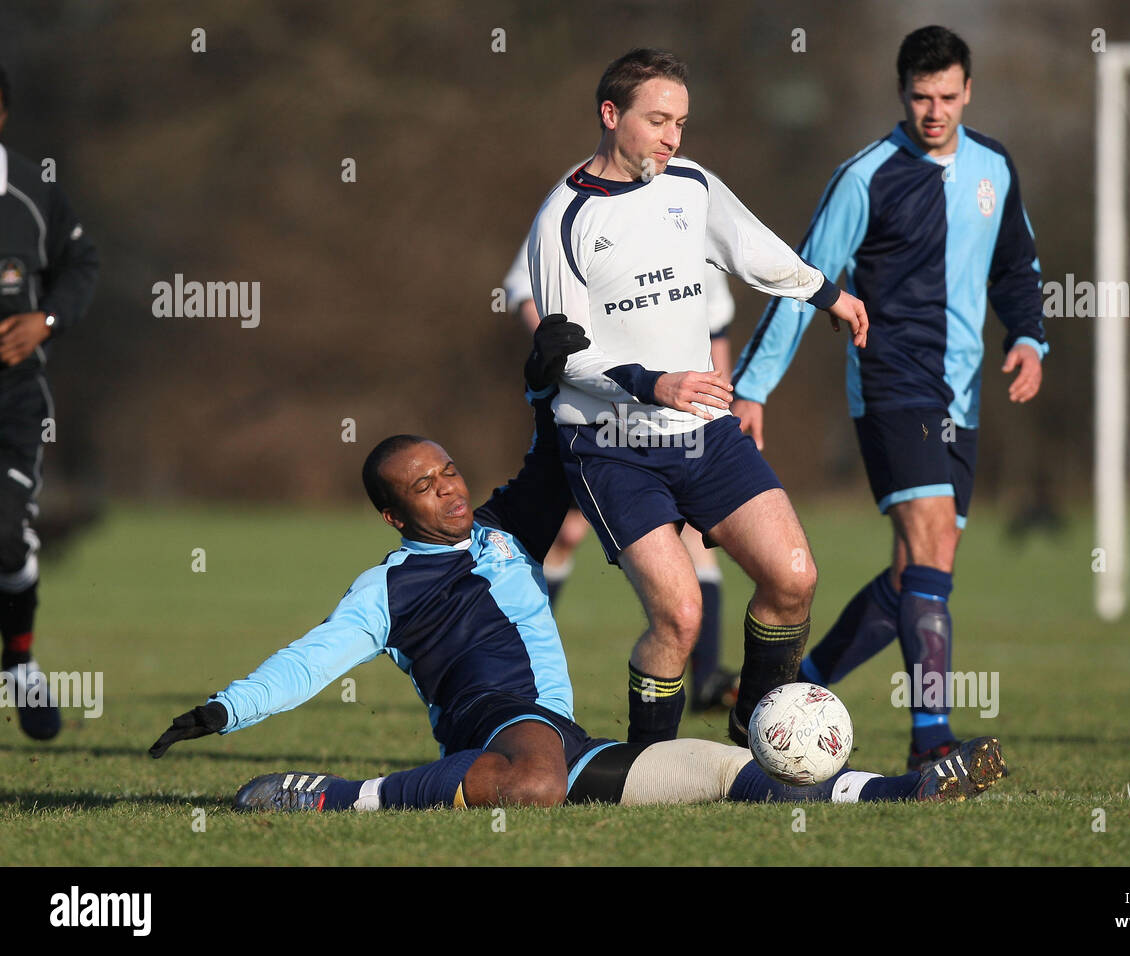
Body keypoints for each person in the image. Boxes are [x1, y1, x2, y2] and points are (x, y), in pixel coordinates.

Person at [148, 317, 1006, 810]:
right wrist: (226, 709)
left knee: (723, 771)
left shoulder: (502, 531)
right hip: (497, 727)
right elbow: (313, 658)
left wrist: (541, 385)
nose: (447, 490)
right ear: (390, 511)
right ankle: (337, 796)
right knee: (534, 787)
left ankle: (905, 791)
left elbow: (555, 457)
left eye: (448, 472)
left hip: (560, 735)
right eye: (423, 486)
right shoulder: (387, 588)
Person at [527, 48, 869, 746]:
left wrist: (827, 293)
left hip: (703, 433)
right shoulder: (564, 219)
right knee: (679, 618)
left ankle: (754, 740)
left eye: (681, 122)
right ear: (610, 114)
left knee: (793, 578)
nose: (673, 137)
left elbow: (754, 248)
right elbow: (562, 359)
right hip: (610, 446)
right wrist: (654, 383)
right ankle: (649, 766)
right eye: (658, 120)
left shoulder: (689, 184)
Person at [729, 26, 1048, 770]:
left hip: (961, 391)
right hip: (891, 383)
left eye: (946, 96)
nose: (933, 111)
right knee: (930, 545)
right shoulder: (864, 176)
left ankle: (779, 694)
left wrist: (1029, 337)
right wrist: (753, 387)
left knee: (918, 571)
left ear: (967, 91)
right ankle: (930, 740)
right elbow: (799, 279)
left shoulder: (994, 166)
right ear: (901, 93)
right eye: (919, 97)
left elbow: (1018, 265)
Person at [503, 238, 739, 710]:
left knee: (693, 532)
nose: (666, 158)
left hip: (677, 418)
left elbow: (716, 327)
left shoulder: (691, 213)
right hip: (597, 414)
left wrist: (721, 405)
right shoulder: (583, 206)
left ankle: (707, 678)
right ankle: (512, 671)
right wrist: (564, 359)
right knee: (565, 532)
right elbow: (522, 290)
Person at [0, 64, 99, 740]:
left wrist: (47, 321)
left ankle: (19, 664)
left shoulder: (32, 189)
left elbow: (82, 263)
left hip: (14, 394)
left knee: (5, 536)